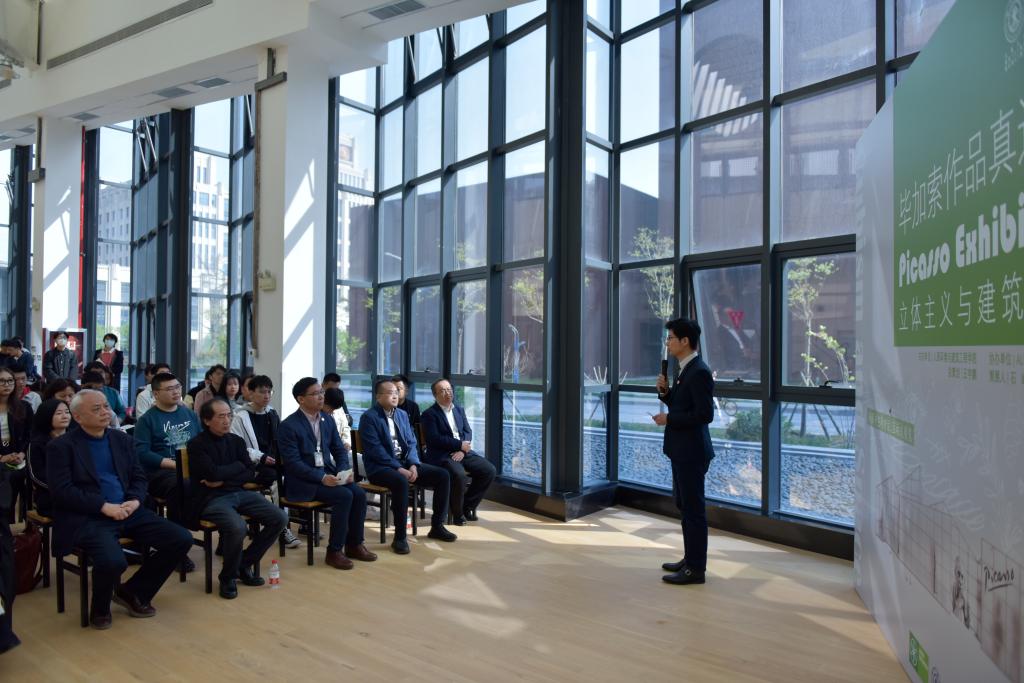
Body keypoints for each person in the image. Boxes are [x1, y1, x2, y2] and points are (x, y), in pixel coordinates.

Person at [46, 389, 192, 629]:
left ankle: (133, 592)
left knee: (180, 538)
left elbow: (138, 477)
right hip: (90, 516)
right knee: (114, 561)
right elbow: (62, 491)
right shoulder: (61, 447)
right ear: (78, 417)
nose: (105, 412)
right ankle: (100, 608)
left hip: (128, 509)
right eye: (97, 409)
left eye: (106, 406)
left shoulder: (121, 439)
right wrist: (103, 507)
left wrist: (134, 500)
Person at [186, 399, 287, 599]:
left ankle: (244, 564)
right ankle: (228, 577)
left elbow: (249, 472)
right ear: (207, 420)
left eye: (229, 415)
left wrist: (223, 478)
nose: (227, 420)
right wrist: (236, 469)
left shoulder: (236, 441)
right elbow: (212, 473)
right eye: (221, 416)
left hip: (239, 492)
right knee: (237, 527)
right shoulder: (197, 445)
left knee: (280, 518)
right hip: (211, 498)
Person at [277, 377, 376, 570]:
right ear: (301, 399)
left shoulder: (327, 419)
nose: (321, 397)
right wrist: (321, 477)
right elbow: (293, 464)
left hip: (327, 475)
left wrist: (343, 471)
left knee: (358, 493)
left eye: (321, 392)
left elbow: (339, 450)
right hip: (302, 483)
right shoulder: (289, 425)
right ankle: (334, 551)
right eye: (315, 394)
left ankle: (354, 544)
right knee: (344, 495)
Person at [360, 379, 455, 554]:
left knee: (442, 475)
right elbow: (375, 450)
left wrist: (413, 464)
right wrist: (398, 468)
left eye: (397, 392)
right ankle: (400, 537)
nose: (395, 396)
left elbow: (412, 443)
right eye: (390, 393)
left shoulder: (402, 415)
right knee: (401, 481)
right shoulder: (369, 417)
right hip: (380, 468)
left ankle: (437, 526)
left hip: (405, 464)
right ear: (378, 396)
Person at [654, 318, 715, 586]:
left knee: (693, 510)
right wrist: (667, 394)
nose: (667, 342)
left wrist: (669, 419)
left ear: (685, 341)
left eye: (671, 338)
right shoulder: (685, 369)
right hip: (681, 450)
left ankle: (696, 569)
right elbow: (683, 405)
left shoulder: (699, 371)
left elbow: (704, 415)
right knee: (685, 506)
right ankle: (690, 559)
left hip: (692, 452)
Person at [229, 375, 302, 549]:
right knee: (279, 480)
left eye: (269, 392)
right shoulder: (240, 416)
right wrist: (260, 457)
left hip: (273, 463)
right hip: (252, 466)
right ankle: (282, 528)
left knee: (299, 473)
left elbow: (281, 440)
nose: (267, 396)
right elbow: (238, 447)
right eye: (262, 392)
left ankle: (302, 523)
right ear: (250, 393)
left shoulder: (272, 413)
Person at [421, 379, 495, 525]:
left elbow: (468, 431)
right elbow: (434, 439)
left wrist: (463, 449)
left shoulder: (459, 410)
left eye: (449, 389)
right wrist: (459, 445)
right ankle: (457, 513)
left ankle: (467, 506)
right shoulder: (429, 414)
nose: (447, 393)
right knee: (459, 475)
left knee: (489, 470)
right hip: (442, 454)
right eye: (442, 391)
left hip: (462, 452)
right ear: (435, 395)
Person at [133, 372, 199, 520]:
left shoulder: (190, 414)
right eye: (169, 389)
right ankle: (177, 526)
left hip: (190, 466)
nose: (176, 392)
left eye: (177, 387)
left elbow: (201, 441)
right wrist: (176, 465)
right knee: (181, 484)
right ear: (156, 394)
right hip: (160, 473)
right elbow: (142, 452)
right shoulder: (147, 420)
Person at [28, 398, 73, 517]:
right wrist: (62, 488)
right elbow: (36, 476)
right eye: (58, 413)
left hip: (78, 492)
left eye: (67, 412)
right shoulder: (37, 443)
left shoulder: (76, 439)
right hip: (51, 495)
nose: (65, 416)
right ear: (46, 416)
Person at [0, 367, 32, 522]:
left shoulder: (23, 407)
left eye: (10, 381)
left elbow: (30, 435)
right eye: (2, 381)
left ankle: (11, 525)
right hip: (2, 459)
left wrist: (22, 454)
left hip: (18, 458)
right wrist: (2, 457)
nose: (7, 384)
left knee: (15, 479)